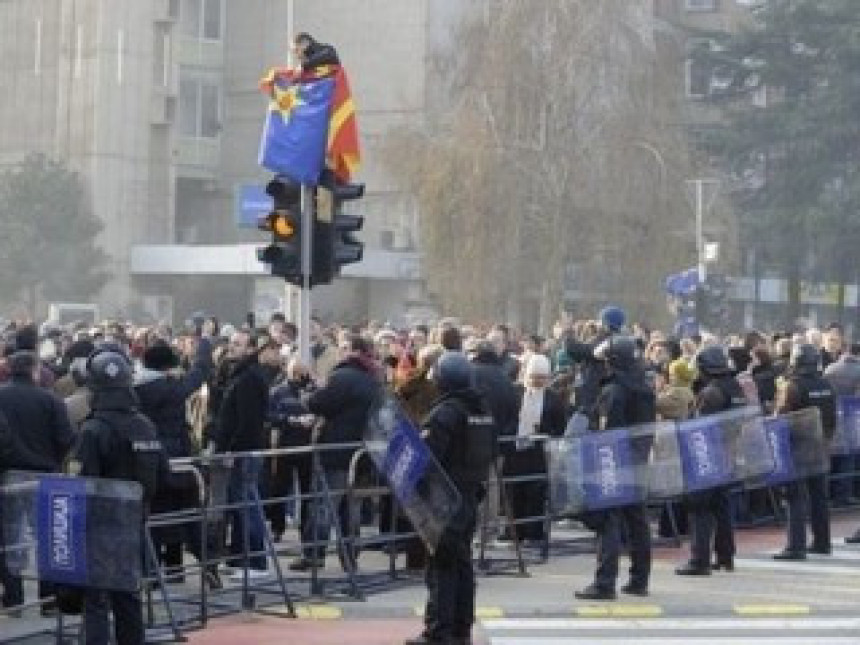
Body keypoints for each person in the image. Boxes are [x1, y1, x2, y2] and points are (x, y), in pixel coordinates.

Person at [69, 349, 168, 645]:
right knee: (128, 596)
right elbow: (163, 475)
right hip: (135, 521)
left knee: (97, 600)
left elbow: (82, 481)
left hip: (100, 526)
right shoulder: (145, 425)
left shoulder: (93, 429)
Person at [406, 352, 495, 645]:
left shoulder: (445, 413)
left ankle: (438, 632)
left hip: (445, 500)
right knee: (461, 565)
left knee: (442, 567)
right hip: (469, 496)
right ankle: (461, 629)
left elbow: (428, 459)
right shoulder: (481, 410)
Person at [575, 336, 655, 600]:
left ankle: (604, 582)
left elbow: (606, 431)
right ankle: (639, 579)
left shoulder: (613, 391)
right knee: (638, 521)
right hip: (639, 460)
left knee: (609, 520)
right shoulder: (644, 387)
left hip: (615, 462)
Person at [293, 335, 380, 571]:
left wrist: (307, 394)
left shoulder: (343, 377)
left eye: (343, 348)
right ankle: (350, 556)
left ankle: (314, 554)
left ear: (353, 351)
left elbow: (320, 403)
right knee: (350, 508)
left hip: (335, 450)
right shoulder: (372, 379)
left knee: (323, 504)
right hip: (361, 452)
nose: (339, 352)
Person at [134, 334, 215, 585]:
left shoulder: (134, 389)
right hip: (177, 461)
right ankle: (197, 568)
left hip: (147, 462)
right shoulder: (170, 389)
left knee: (152, 518)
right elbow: (199, 374)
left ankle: (152, 573)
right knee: (188, 516)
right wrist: (203, 347)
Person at [0, 351, 75, 611]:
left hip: (9, 474)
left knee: (11, 537)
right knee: (47, 536)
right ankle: (49, 599)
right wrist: (55, 460)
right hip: (46, 474)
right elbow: (66, 438)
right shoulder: (51, 400)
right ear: (34, 371)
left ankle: (13, 598)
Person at [214, 332, 282, 580]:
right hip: (240, 449)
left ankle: (254, 560)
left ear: (252, 349)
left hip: (244, 451)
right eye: (232, 343)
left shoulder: (249, 378)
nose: (232, 347)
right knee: (239, 504)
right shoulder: (242, 374)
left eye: (238, 344)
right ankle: (239, 556)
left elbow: (248, 421)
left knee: (247, 504)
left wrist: (233, 448)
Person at [676, 346, 748, 576]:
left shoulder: (711, 393)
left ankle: (700, 560)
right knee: (722, 506)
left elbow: (698, 428)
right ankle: (725, 556)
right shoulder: (735, 387)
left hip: (708, 455)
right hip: (728, 453)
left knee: (700, 508)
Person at [773, 343, 836, 560]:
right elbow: (831, 417)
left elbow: (781, 417)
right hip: (821, 446)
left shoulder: (792, 386)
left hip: (798, 448)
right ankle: (822, 542)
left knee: (795, 497)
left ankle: (795, 546)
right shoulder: (826, 384)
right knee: (819, 497)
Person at [505, 354, 567, 544]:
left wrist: (544, 433)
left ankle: (534, 532)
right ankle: (515, 532)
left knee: (536, 493)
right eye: (534, 377)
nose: (537, 381)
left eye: (541, 377)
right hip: (516, 451)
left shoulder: (554, 399)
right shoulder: (515, 393)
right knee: (514, 492)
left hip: (539, 453)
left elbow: (560, 427)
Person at [824, 341, 860, 508]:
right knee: (849, 456)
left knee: (832, 455)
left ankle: (829, 493)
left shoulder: (830, 368)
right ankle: (844, 495)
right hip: (852, 418)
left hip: (831, 416)